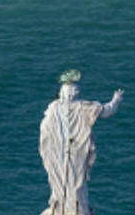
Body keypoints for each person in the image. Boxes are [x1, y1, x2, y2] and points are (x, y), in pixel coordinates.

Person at [39, 70, 123, 215]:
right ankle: (76, 209)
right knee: (76, 183)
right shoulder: (84, 107)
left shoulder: (53, 108)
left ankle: (61, 208)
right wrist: (116, 99)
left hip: (58, 153)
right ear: (74, 93)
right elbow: (106, 111)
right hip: (77, 152)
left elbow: (45, 131)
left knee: (60, 180)